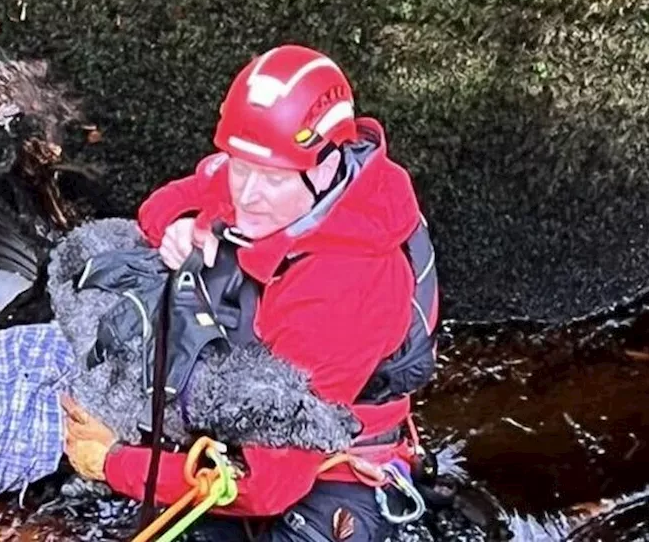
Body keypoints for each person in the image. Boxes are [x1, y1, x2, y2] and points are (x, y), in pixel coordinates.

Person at [61, 44, 440, 541]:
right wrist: (180, 225)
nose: (246, 195)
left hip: (328, 468)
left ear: (326, 164)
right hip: (250, 398)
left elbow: (270, 485)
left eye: (273, 178)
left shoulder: (342, 290)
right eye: (240, 168)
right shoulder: (274, 178)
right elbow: (163, 204)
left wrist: (114, 463)